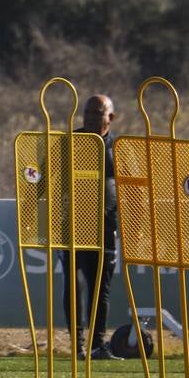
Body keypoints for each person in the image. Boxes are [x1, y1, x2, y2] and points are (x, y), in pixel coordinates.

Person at [62, 94, 122, 360]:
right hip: (72, 228)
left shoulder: (119, 149)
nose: (89, 119)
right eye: (86, 113)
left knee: (101, 287)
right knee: (74, 285)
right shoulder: (69, 143)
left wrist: (134, 224)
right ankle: (77, 346)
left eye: (97, 114)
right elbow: (42, 179)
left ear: (110, 118)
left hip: (105, 228)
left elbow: (132, 190)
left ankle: (98, 345)